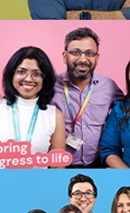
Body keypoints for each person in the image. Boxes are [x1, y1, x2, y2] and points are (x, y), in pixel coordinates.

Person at [0, 46, 66, 157]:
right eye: (21, 71)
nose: (28, 79)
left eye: (36, 74)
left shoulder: (55, 116)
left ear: (45, 78)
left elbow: (58, 167)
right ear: (11, 74)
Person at [52, 27, 123, 167]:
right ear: (65, 56)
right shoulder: (50, 85)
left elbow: (129, 110)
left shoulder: (108, 86)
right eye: (76, 52)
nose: (83, 59)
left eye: (89, 53)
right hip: (59, 165)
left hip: (97, 164)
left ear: (97, 57)